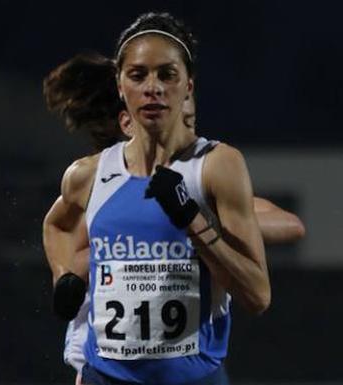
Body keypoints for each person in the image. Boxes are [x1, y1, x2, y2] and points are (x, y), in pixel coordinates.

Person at [43, 12, 276, 384]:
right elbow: (56, 224)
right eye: (138, 75)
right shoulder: (88, 174)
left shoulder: (216, 167)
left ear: (188, 86)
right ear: (120, 86)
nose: (153, 88)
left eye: (167, 74)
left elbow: (258, 296)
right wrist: (63, 277)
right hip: (105, 376)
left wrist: (193, 221)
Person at [48, 107, 304, 384]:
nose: (182, 134)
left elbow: (291, 225)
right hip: (105, 359)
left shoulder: (198, 185)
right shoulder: (101, 183)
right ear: (127, 123)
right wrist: (63, 275)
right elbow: (61, 232)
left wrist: (198, 225)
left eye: (190, 123)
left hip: (188, 367)